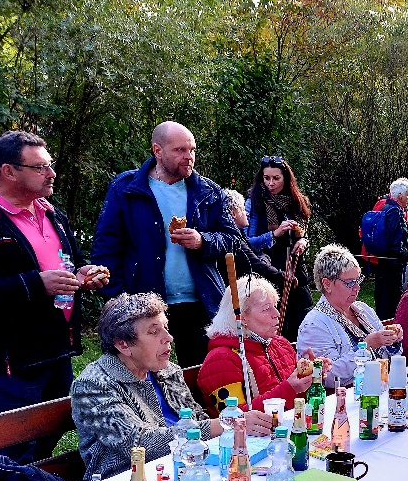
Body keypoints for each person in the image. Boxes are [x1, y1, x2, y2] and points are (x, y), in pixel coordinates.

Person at [0, 130, 108, 464]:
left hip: (56, 348)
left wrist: (81, 276)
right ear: (9, 171)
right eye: (40, 167)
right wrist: (35, 284)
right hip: (12, 359)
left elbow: (66, 262)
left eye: (50, 165)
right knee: (16, 447)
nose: (51, 173)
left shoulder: (50, 212)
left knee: (51, 431)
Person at [92, 121, 238, 367]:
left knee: (203, 376)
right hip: (146, 305)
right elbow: (106, 247)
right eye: (180, 150)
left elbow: (233, 239)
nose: (188, 157)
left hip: (201, 303)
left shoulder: (208, 191)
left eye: (192, 150)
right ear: (157, 151)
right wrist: (118, 299)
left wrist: (203, 241)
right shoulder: (126, 188)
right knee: (150, 380)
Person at [71, 293, 263, 480]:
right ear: (123, 345)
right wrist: (224, 423)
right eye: (154, 332)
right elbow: (141, 444)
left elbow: (197, 418)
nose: (169, 337)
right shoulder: (94, 385)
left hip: (188, 471)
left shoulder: (167, 371)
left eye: (166, 328)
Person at [198, 276, 322, 416]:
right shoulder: (220, 360)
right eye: (267, 309)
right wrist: (289, 389)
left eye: (275, 306)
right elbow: (234, 418)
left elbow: (300, 401)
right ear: (242, 317)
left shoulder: (280, 344)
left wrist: (312, 376)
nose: (277, 314)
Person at [297, 245, 402, 387]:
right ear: (327, 284)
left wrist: (392, 341)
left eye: (358, 280)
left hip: (380, 389)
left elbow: (388, 358)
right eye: (350, 282)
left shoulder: (363, 310)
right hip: (347, 400)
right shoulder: (314, 325)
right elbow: (328, 377)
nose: (357, 287)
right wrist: (365, 347)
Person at [243, 155, 314, 341]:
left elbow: (303, 233)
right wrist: (274, 234)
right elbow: (247, 243)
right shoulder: (254, 203)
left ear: (286, 178)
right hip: (270, 271)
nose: (271, 183)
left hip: (295, 268)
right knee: (277, 324)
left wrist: (304, 241)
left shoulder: (297, 202)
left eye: (276, 178)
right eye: (267, 178)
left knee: (304, 322)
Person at [368, 178, 408, 321]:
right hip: (392, 265)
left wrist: (407, 230)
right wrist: (404, 256)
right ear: (400, 195)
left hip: (382, 261)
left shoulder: (385, 207)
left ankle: (381, 324)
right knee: (390, 301)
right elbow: (395, 241)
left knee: (382, 296)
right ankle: (388, 329)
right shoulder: (395, 211)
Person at [223, 188, 284, 285]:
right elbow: (256, 265)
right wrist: (283, 277)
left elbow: (259, 255)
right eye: (243, 209)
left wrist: (263, 260)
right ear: (234, 214)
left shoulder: (238, 234)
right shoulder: (232, 238)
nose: (246, 213)